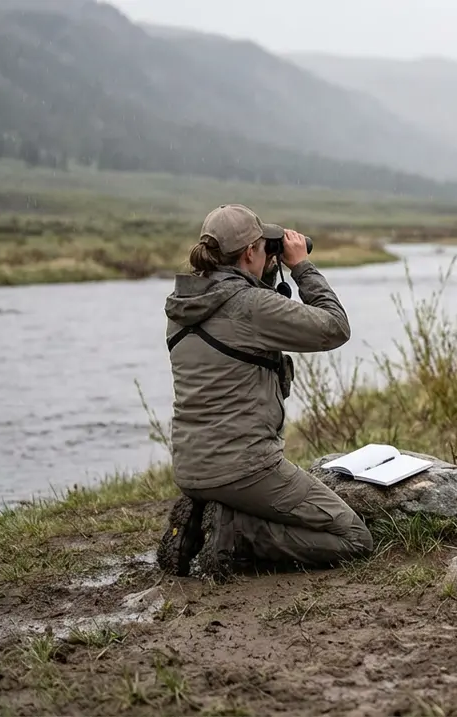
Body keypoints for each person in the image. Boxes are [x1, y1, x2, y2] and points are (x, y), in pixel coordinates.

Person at [156, 203, 373, 578]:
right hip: (244, 468)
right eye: (263, 245)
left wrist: (265, 275)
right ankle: (235, 534)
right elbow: (335, 327)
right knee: (353, 536)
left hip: (191, 465)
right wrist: (301, 267)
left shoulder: (183, 306)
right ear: (250, 253)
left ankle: (217, 511)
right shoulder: (252, 306)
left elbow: (239, 330)